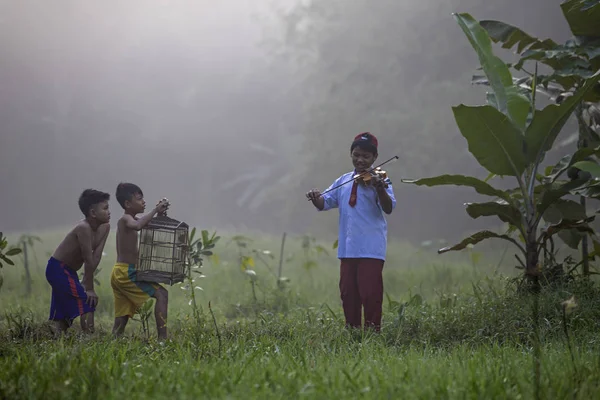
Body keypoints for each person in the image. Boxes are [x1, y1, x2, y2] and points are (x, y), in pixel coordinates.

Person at [306, 132, 396, 332]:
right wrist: (315, 197)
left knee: (370, 293)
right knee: (348, 293)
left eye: (366, 156)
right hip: (347, 249)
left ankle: (373, 333)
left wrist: (379, 189)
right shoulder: (343, 181)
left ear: (375, 158)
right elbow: (325, 202)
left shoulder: (381, 179)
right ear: (351, 154)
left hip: (370, 249)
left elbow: (388, 207)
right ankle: (352, 332)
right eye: (356, 155)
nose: (360, 160)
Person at [45, 189, 111, 335]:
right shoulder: (84, 228)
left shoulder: (105, 226)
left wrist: (87, 283)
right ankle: (89, 338)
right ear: (93, 213)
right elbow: (88, 259)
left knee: (64, 312)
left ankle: (58, 337)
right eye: (105, 208)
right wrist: (89, 288)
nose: (109, 212)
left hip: (69, 271)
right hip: (58, 269)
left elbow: (96, 257)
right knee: (88, 300)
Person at [110, 182, 170, 340]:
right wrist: (154, 210)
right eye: (139, 198)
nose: (143, 201)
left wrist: (159, 213)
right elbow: (137, 226)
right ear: (127, 204)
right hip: (126, 272)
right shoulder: (125, 219)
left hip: (119, 272)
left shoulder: (133, 218)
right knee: (162, 294)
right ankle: (162, 340)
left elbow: (147, 224)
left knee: (122, 317)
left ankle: (113, 343)